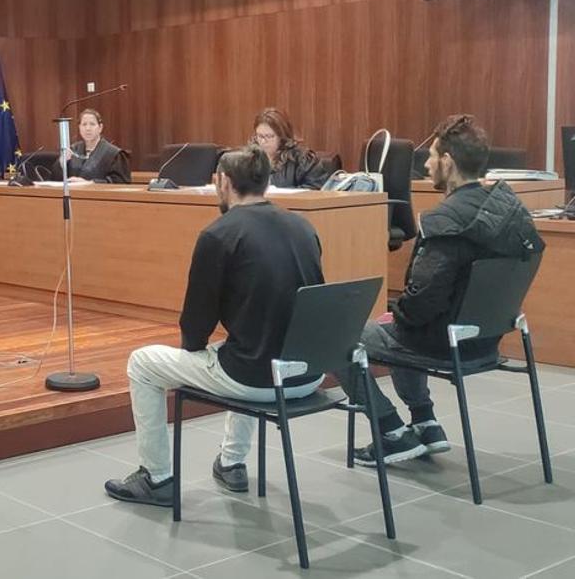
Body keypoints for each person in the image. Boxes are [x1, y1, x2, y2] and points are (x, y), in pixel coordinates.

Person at [104, 145, 326, 505]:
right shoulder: (304, 226)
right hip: (309, 372)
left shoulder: (218, 234)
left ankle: (156, 478)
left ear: (222, 182)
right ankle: (231, 461)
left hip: (255, 378)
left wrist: (193, 354)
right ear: (266, 182)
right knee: (243, 348)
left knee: (142, 364)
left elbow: (196, 323)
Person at [339, 115, 545, 466]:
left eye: (432, 157)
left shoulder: (445, 221)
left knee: (341, 337)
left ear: (448, 162)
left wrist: (399, 311)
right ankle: (426, 424)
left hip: (444, 343)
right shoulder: (514, 213)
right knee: (402, 325)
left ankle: (390, 430)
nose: (428, 164)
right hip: (487, 339)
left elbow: (421, 306)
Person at [252, 107, 329, 190]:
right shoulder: (250, 158)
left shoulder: (303, 159)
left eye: (269, 136)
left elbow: (315, 188)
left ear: (282, 136)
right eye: (260, 136)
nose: (263, 141)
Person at [51, 108, 131, 183]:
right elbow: (56, 180)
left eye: (92, 124)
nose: (88, 128)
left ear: (100, 127)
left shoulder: (113, 154)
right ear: (79, 127)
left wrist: (90, 183)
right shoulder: (73, 149)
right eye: (84, 124)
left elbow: (120, 182)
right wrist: (61, 163)